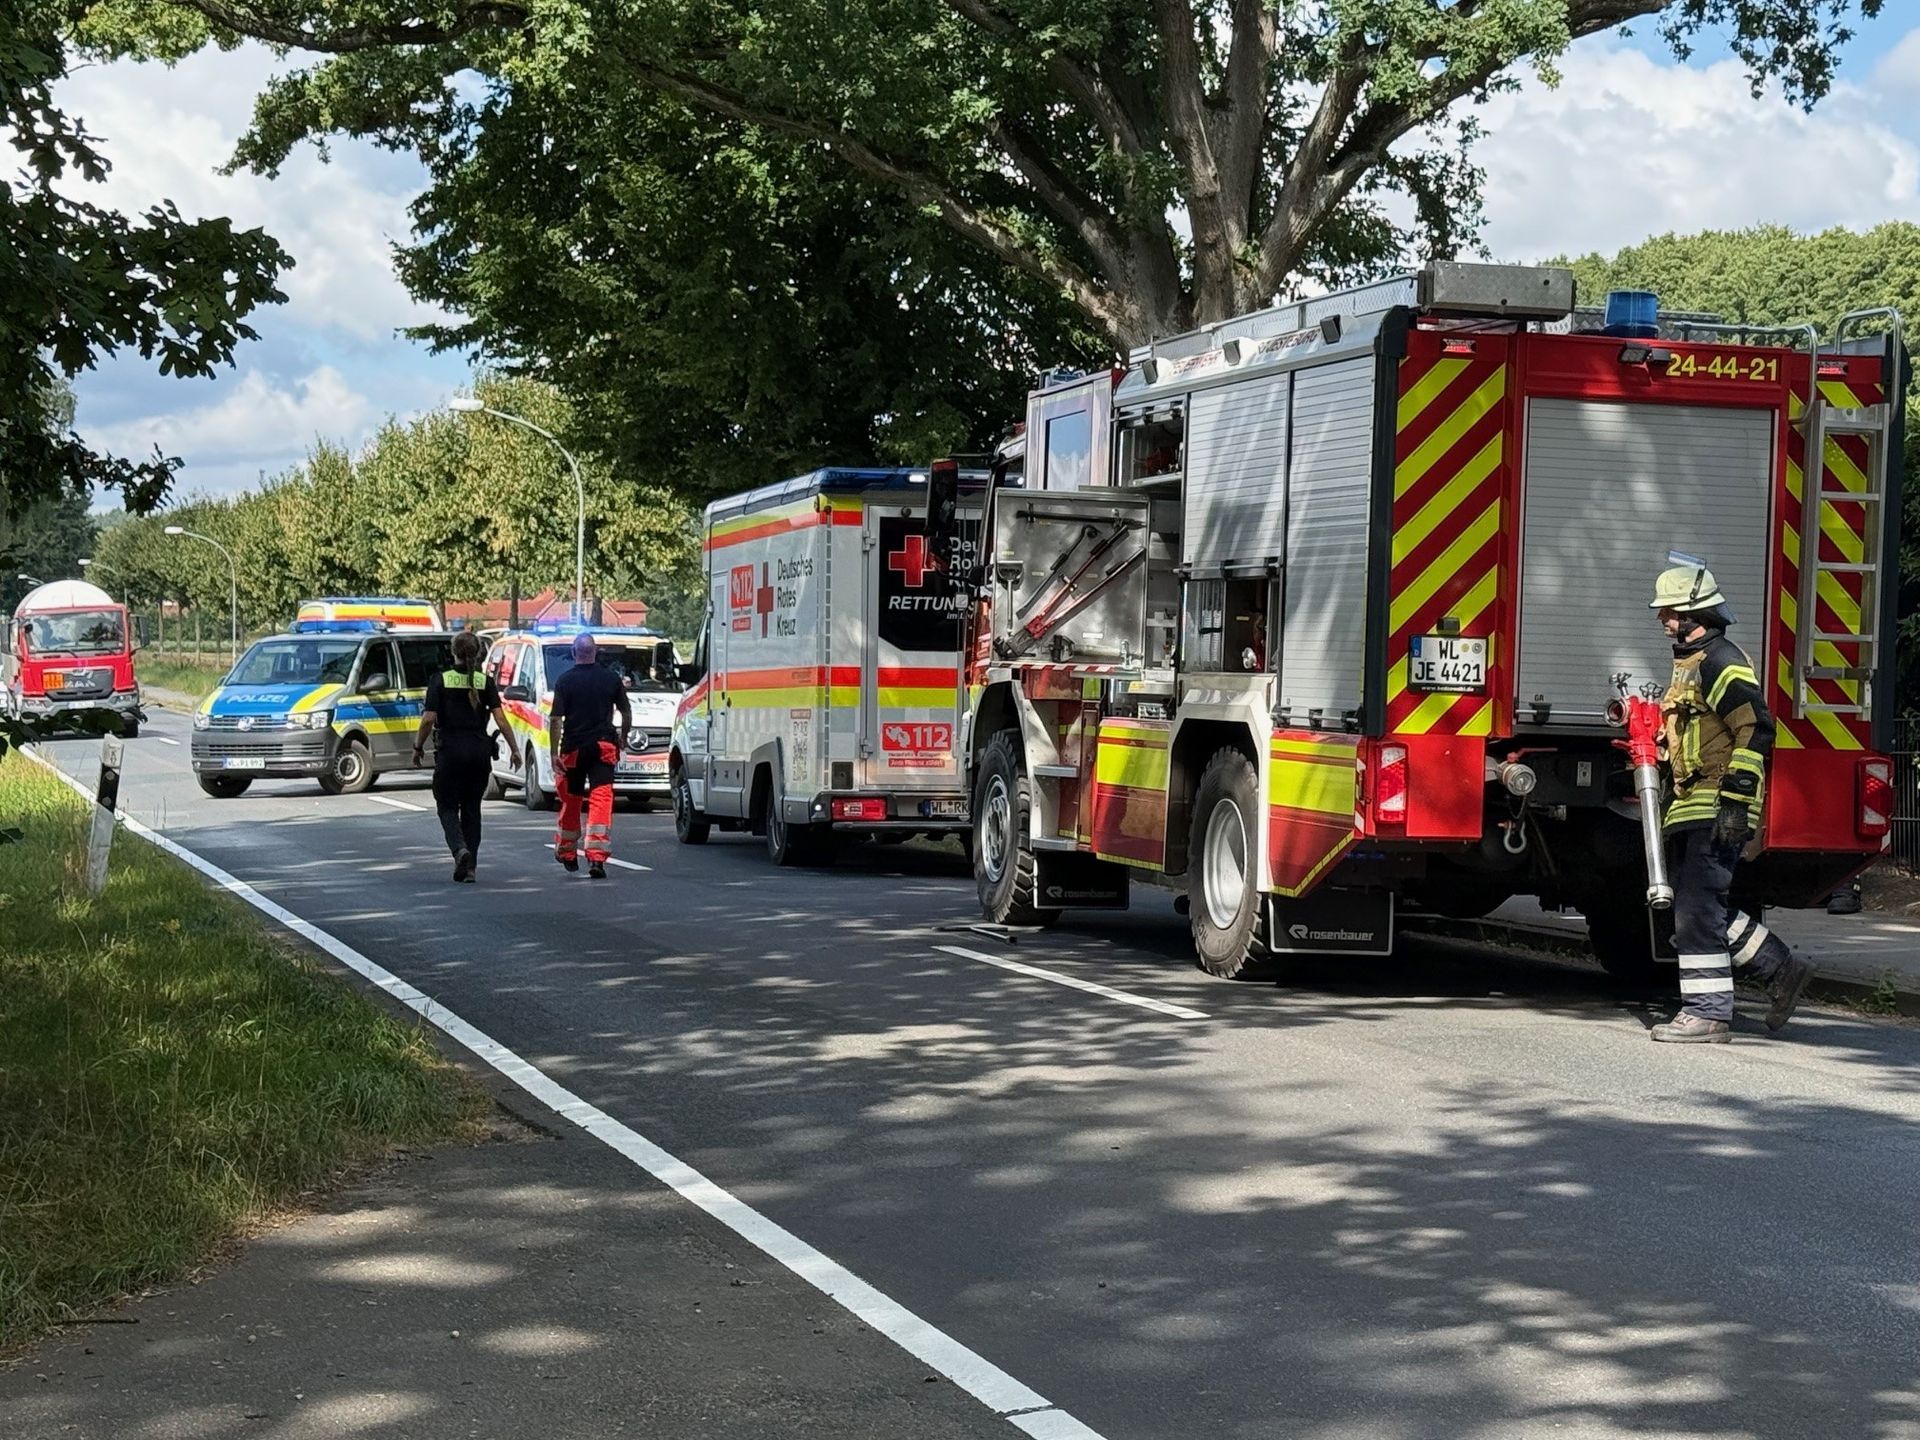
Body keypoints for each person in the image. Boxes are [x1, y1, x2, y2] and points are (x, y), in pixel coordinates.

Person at [1647, 558, 1815, 1043]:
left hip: (1717, 801)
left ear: (1695, 614)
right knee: (1694, 907)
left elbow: (1756, 727)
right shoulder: (1692, 664)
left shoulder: (1721, 660)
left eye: (1670, 612)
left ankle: (1707, 1013)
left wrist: (1738, 799)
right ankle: (1780, 968)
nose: (1663, 620)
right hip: (1691, 802)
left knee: (1698, 910)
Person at [412, 630, 517, 882]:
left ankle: (460, 850)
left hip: (451, 753)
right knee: (472, 808)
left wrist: (418, 747)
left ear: (453, 652)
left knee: (447, 805)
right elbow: (500, 719)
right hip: (479, 753)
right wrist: (514, 749)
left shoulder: (440, 680)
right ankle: (470, 869)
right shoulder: (485, 681)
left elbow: (428, 719)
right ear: (478, 653)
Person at [549, 631, 631, 879]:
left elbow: (556, 720)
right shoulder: (610, 678)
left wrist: (554, 753)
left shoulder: (565, 681)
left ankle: (567, 852)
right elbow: (626, 712)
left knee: (571, 799)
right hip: (603, 747)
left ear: (574, 653)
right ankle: (596, 857)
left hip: (574, 749)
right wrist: (623, 737)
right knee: (601, 798)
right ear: (595, 652)